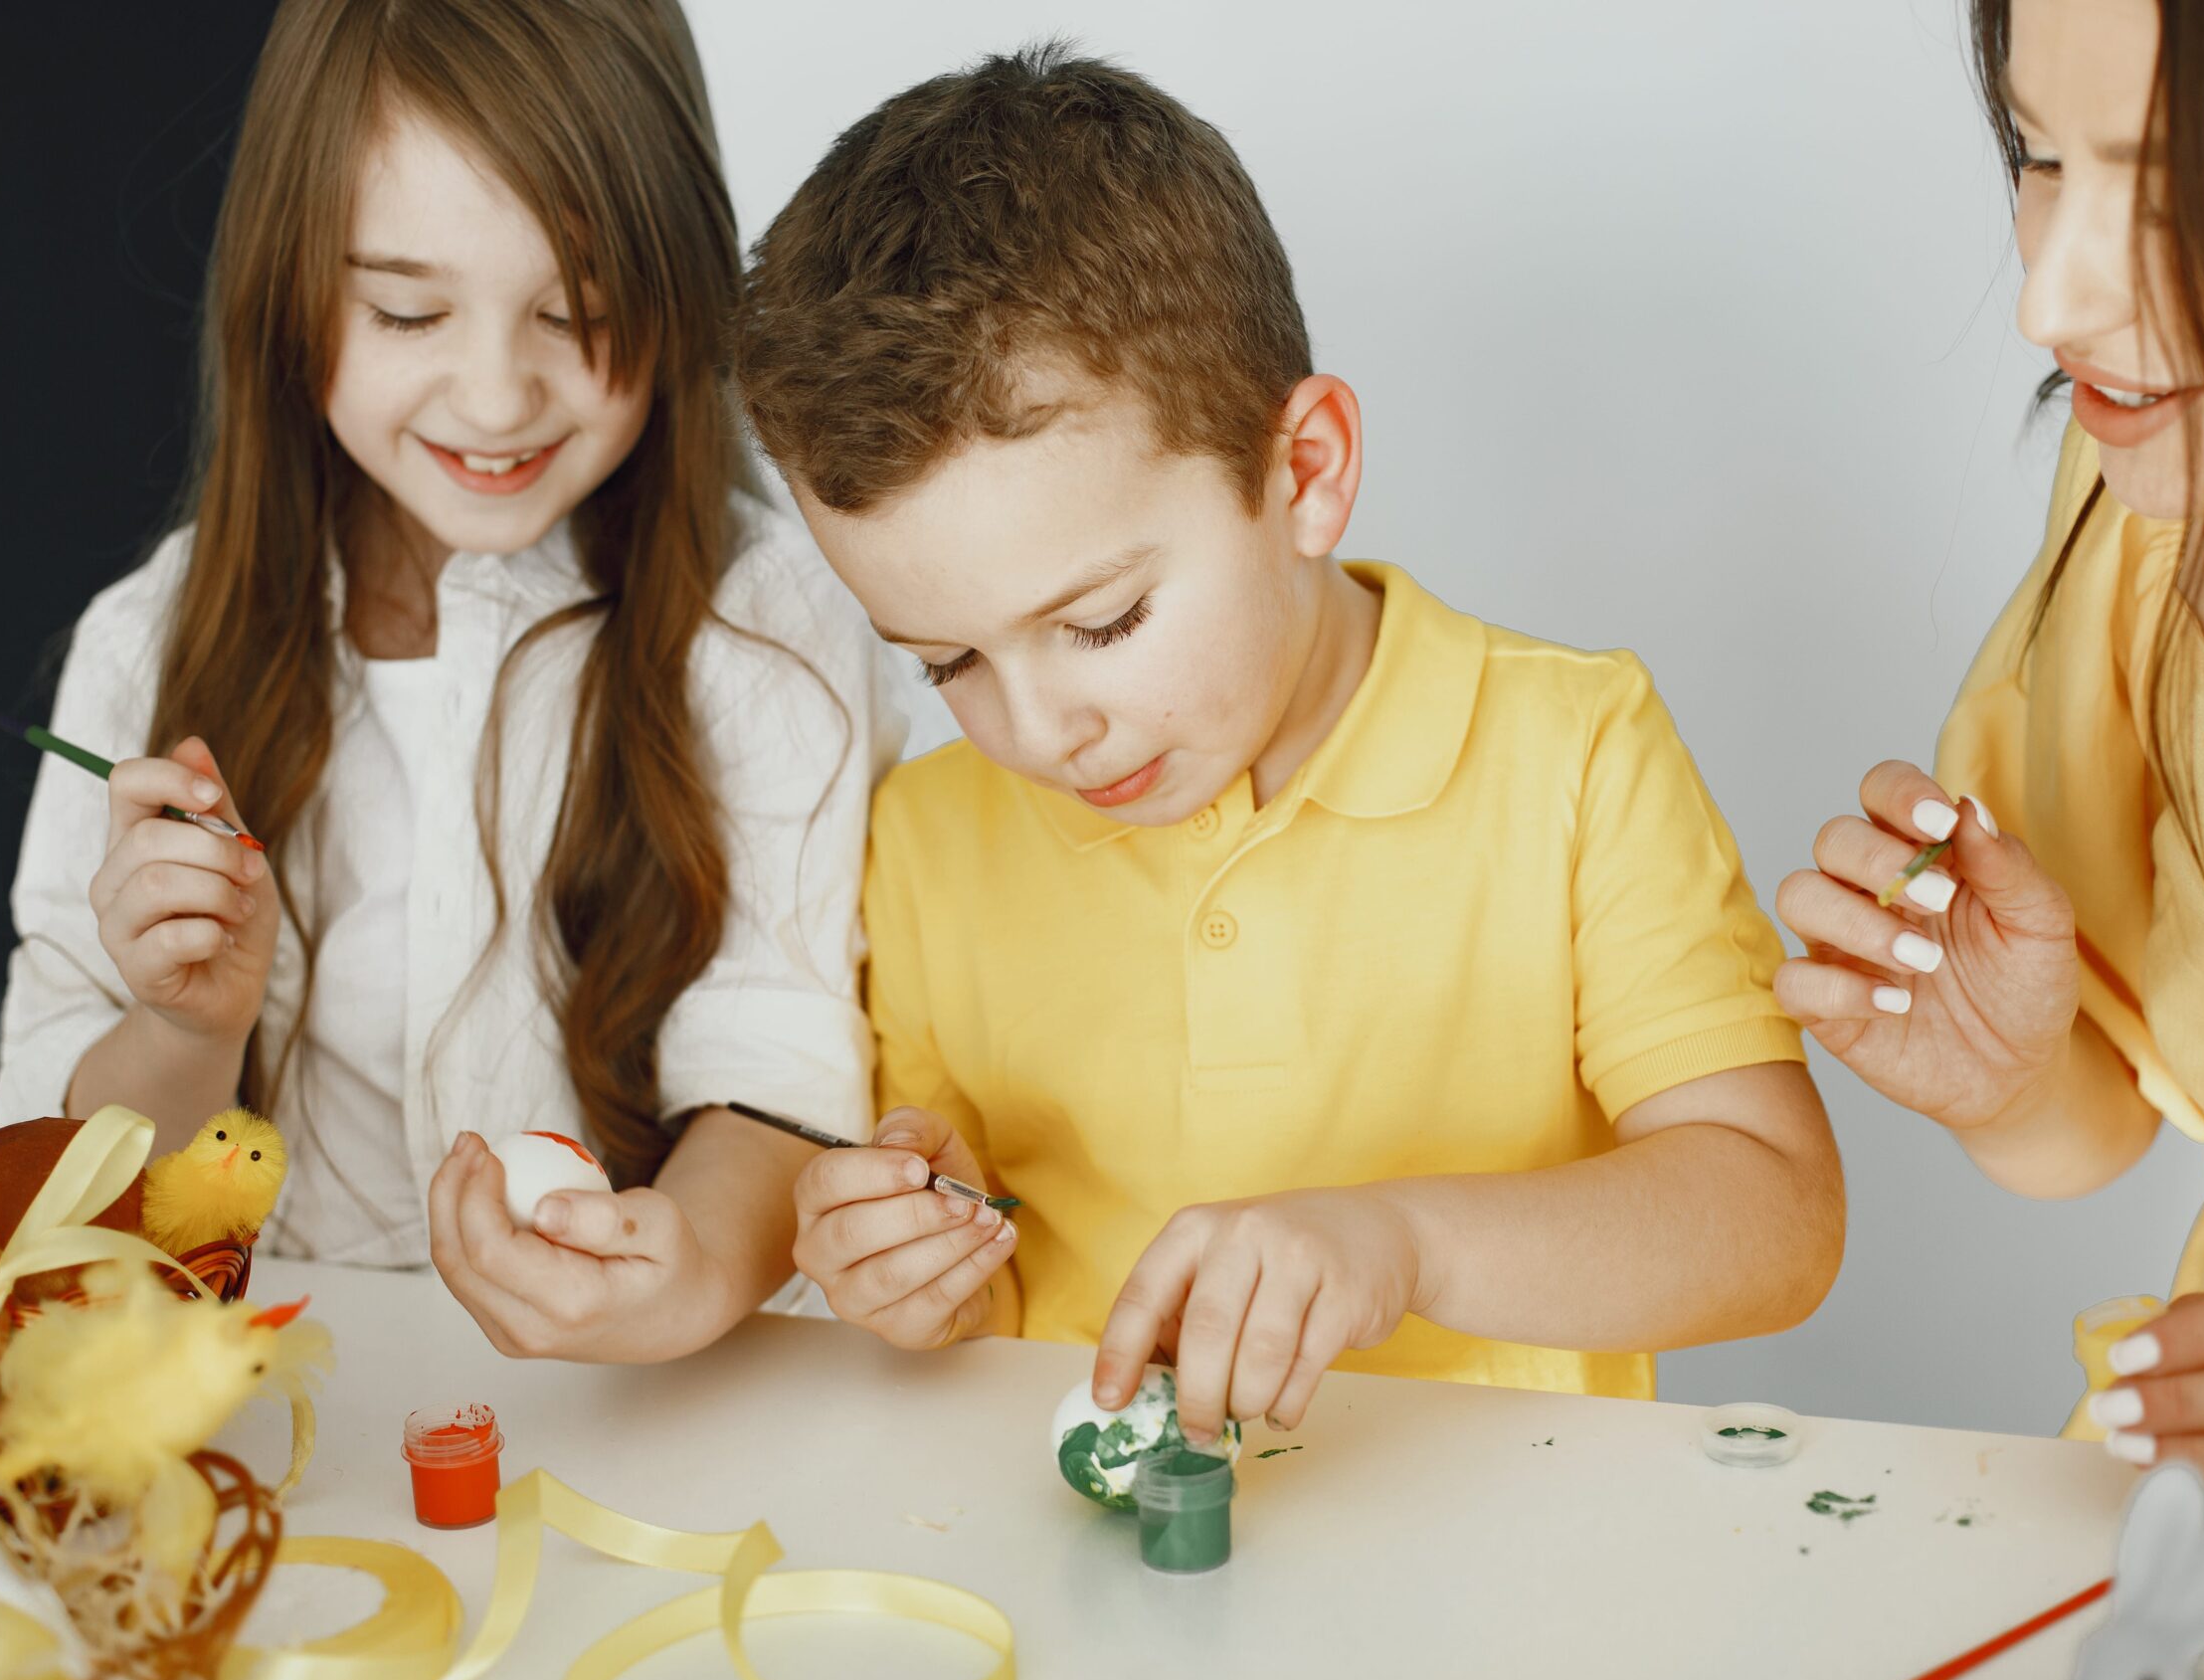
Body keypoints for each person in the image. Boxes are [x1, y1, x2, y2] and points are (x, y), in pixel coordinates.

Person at [734, 47, 1845, 1444]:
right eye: (947, 660)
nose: (1038, 728)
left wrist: (1407, 1247)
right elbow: (993, 1314)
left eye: (1104, 620)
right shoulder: (925, 839)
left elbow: (1777, 1218)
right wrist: (921, 1275)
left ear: (1303, 472)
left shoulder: (1572, 755)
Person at [0, 0, 888, 1363]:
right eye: (409, 309)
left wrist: (690, 1267)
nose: (493, 395)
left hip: (669, 1418)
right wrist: (184, 1025)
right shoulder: (148, 647)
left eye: (576, 309)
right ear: (291, 291)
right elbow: (56, 1198)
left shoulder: (772, 624)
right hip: (289, 1411)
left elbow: (781, 1064)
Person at [1773, 0, 2204, 1537]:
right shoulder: (2150, 529)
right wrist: (2017, 1076)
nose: (2049, 297)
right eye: (2037, 157)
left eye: (2174, 194)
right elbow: (2116, 1116)